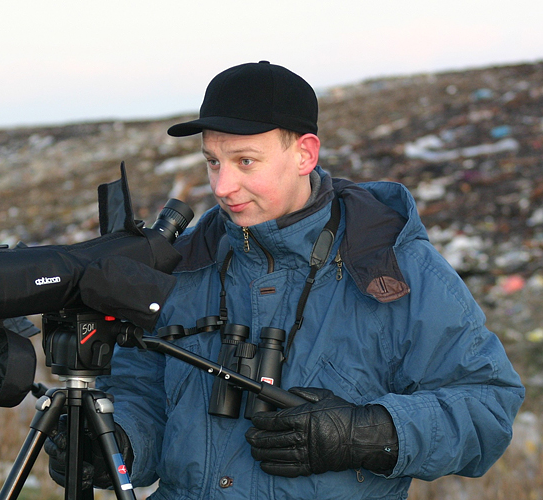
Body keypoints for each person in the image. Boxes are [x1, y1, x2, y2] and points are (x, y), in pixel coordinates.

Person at [46, 61, 525, 499]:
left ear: (305, 155)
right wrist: (117, 443)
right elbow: (142, 393)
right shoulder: (184, 262)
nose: (221, 187)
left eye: (245, 161)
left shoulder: (390, 267)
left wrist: (370, 433)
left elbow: (488, 405)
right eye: (213, 161)